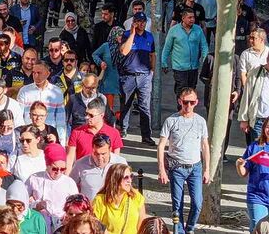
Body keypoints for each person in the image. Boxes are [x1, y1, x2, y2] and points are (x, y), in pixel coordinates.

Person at [157, 88, 210, 234]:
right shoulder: (171, 120)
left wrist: (207, 170)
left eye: (192, 102)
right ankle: (179, 230)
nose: (188, 105)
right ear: (180, 101)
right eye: (185, 102)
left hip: (195, 167)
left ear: (196, 102)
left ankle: (190, 228)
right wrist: (162, 169)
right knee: (177, 203)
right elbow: (161, 145)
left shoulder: (200, 121)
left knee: (197, 203)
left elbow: (205, 146)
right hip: (177, 166)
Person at [118, 12, 157, 146]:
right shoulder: (127, 35)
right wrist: (133, 34)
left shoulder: (149, 37)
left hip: (144, 76)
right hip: (129, 76)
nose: (141, 24)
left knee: (144, 107)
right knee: (126, 104)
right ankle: (122, 129)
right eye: (138, 21)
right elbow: (123, 51)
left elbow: (152, 54)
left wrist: (152, 70)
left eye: (143, 21)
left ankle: (146, 135)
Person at [24, 144, 78, 232]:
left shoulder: (69, 182)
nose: (59, 172)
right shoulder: (34, 178)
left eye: (63, 169)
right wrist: (35, 205)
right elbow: (22, 201)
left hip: (63, 223)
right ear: (47, 165)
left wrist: (68, 215)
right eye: (55, 169)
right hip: (40, 222)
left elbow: (76, 205)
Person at [16, 62, 67, 144]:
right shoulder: (24, 91)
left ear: (48, 74)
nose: (36, 75)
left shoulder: (57, 92)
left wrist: (61, 141)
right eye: (34, 73)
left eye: (39, 73)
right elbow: (18, 117)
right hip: (29, 137)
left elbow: (60, 119)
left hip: (49, 136)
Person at [161, 9, 208, 96]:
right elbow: (167, 48)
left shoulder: (198, 30)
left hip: (194, 67)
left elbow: (204, 46)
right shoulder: (173, 30)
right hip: (179, 68)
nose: (192, 19)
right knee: (182, 90)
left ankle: (188, 108)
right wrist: (164, 62)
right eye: (189, 17)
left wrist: (205, 60)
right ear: (183, 18)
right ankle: (180, 108)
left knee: (191, 90)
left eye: (193, 17)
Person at [66, 98, 123, 169]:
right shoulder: (77, 132)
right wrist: (67, 178)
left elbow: (116, 161)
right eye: (86, 114)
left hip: (106, 175)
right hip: (83, 174)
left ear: (102, 115)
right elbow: (70, 159)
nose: (86, 117)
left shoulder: (114, 133)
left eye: (91, 115)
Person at [69, 133, 128, 200]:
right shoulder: (80, 164)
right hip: (90, 208)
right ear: (92, 149)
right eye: (96, 153)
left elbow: (128, 186)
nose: (100, 157)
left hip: (114, 208)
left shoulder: (120, 163)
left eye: (103, 154)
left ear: (110, 150)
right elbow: (70, 186)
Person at [92, 164, 146, 234]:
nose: (130, 180)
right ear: (115, 179)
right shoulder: (100, 200)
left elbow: (142, 226)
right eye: (126, 177)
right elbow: (95, 226)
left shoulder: (136, 197)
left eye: (131, 176)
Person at [238, 28, 269, 142]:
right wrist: (244, 118)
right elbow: (243, 74)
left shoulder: (267, 51)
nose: (250, 40)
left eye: (253, 38)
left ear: (262, 40)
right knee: (256, 147)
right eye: (249, 37)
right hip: (256, 114)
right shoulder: (246, 54)